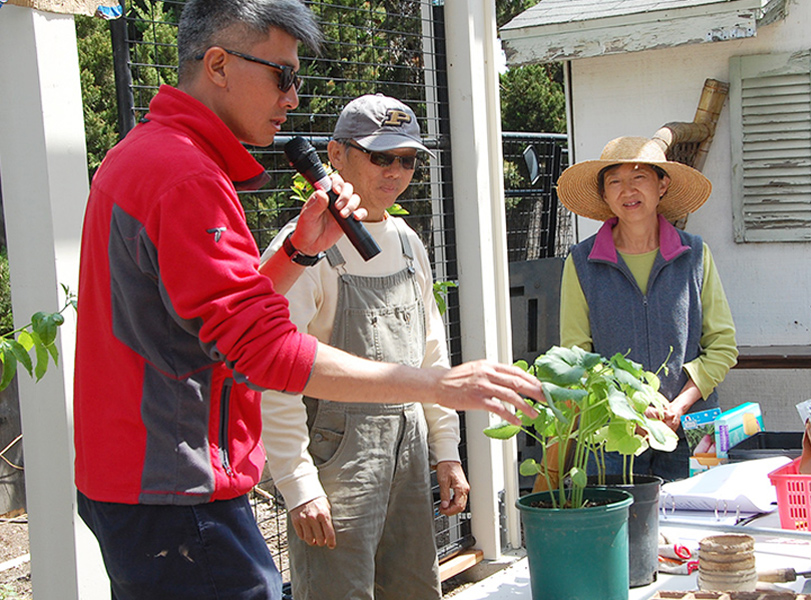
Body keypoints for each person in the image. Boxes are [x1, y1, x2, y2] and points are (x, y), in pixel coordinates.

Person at [72, 2, 542, 599]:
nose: (292, 97)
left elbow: (211, 324)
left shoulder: (148, 154)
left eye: (407, 160)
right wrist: (437, 385)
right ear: (218, 64)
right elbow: (263, 351)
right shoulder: (184, 174)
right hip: (176, 487)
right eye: (283, 76)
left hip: (150, 482)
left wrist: (297, 250)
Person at [260, 94, 465, 600]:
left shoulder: (408, 243)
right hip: (337, 460)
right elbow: (274, 374)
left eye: (408, 159)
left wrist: (447, 451)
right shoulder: (304, 248)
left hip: (410, 450)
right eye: (380, 156)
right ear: (334, 154)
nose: (395, 171)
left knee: (415, 588)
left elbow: (430, 355)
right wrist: (299, 483)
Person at [556, 136, 738, 482]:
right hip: (612, 433)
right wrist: (629, 407)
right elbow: (576, 354)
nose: (628, 191)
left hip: (696, 429)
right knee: (617, 533)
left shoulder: (695, 255)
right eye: (615, 182)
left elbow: (723, 347)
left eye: (639, 178)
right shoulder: (581, 262)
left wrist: (678, 405)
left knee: (700, 527)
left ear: (662, 185)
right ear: (605, 196)